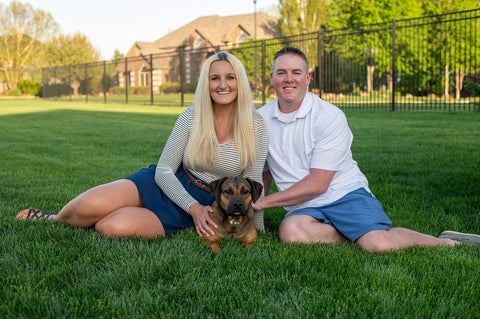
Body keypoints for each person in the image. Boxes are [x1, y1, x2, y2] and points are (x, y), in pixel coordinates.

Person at [16, 52, 268, 239]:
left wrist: (258, 229)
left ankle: (115, 213)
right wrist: (191, 207)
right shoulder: (191, 116)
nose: (222, 84)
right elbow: (164, 170)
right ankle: (54, 218)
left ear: (240, 82)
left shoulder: (255, 125)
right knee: (86, 207)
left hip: (208, 205)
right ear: (206, 84)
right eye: (215, 78)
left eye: (230, 77)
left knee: (109, 227)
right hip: (165, 184)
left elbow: (256, 179)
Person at [252, 47, 480, 252]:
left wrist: (262, 202)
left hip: (343, 193)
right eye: (281, 73)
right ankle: (354, 234)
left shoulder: (329, 116)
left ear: (308, 78)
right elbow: (264, 171)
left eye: (296, 72)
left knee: (378, 244)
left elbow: (319, 183)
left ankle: (447, 242)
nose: (289, 79)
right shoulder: (259, 119)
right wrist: (256, 218)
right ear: (272, 79)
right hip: (304, 206)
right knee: (291, 233)